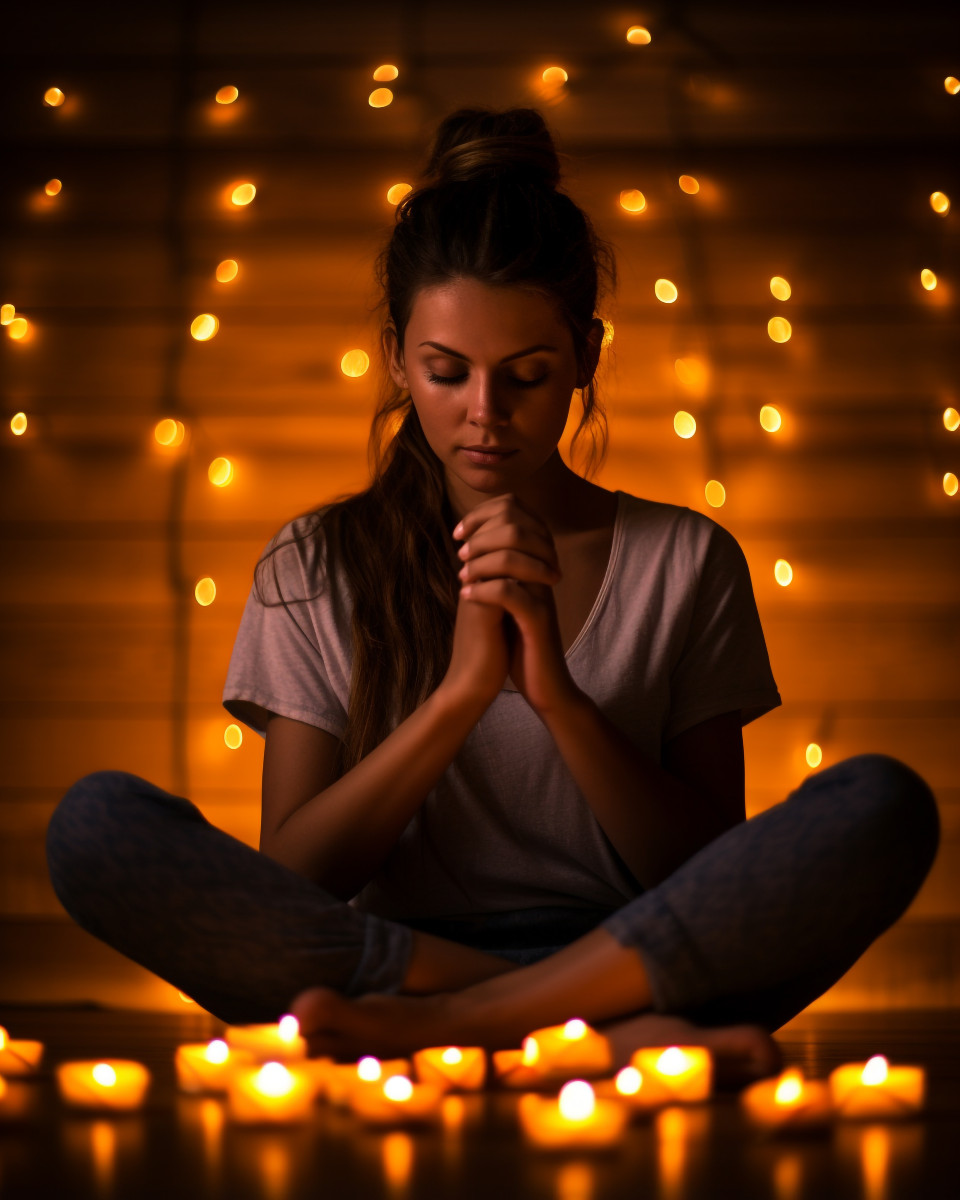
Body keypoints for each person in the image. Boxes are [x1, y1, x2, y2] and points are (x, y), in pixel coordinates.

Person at [45, 107, 940, 1089]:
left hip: (637, 952)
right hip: (395, 962)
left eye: (527, 376)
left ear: (585, 359)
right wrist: (460, 694)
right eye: (445, 373)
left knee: (882, 805)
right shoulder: (315, 560)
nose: (484, 415)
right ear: (397, 357)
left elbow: (706, 878)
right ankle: (580, 1029)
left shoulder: (686, 558)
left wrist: (555, 692)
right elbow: (297, 879)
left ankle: (470, 1023)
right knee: (95, 828)